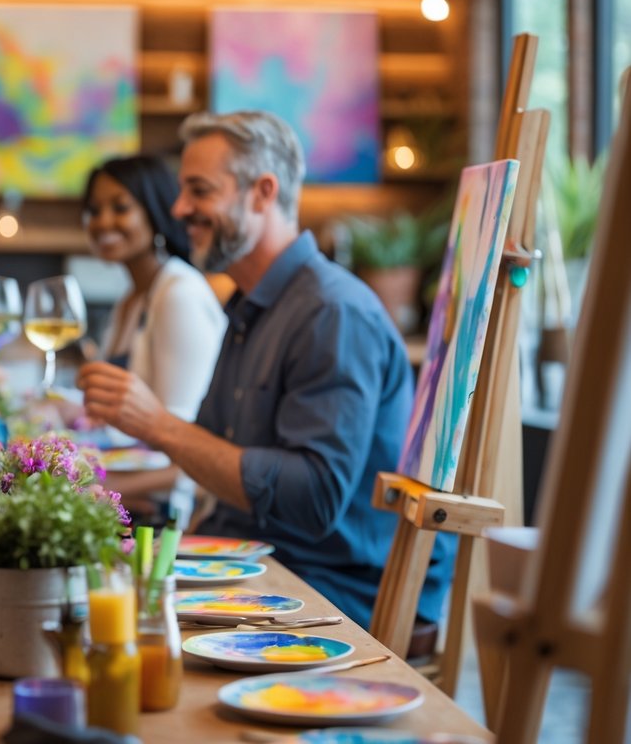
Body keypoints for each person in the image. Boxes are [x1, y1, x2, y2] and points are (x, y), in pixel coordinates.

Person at [79, 110, 453, 628]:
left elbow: (314, 500)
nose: (179, 208)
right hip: (252, 560)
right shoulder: (248, 307)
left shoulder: (332, 312)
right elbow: (208, 448)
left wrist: (158, 425)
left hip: (327, 586)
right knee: (76, 589)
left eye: (199, 191)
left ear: (262, 192)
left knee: (105, 623)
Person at [81, 154, 226, 526]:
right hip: (132, 499)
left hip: (171, 516)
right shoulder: (132, 297)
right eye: (94, 210)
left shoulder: (179, 295)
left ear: (155, 211)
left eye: (121, 207)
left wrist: (88, 484)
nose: (103, 222)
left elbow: (188, 453)